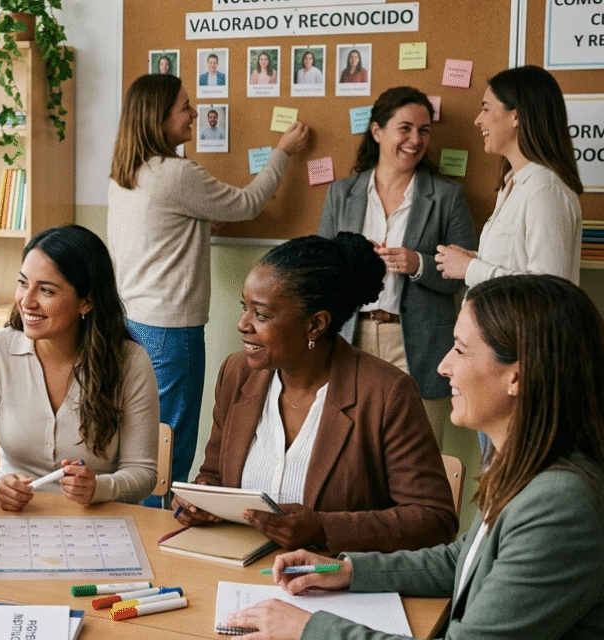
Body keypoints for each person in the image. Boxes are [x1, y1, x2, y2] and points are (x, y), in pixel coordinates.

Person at [226, 274, 604, 639]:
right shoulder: (526, 466)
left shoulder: (559, 505)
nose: (443, 366)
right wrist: (347, 570)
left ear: (515, 378)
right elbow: (462, 561)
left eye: (460, 349)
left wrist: (309, 629)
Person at [173, 233, 457, 553]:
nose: (242, 324)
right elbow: (213, 474)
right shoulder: (237, 374)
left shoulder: (386, 393)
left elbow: (435, 521)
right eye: (244, 307)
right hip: (240, 577)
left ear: (315, 325)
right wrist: (201, 498)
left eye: (261, 314)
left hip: (330, 577)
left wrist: (324, 528)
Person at [107, 74, 310, 504]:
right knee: (168, 450)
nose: (195, 113)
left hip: (130, 323)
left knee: (140, 446)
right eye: (185, 106)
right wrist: (282, 152)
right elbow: (249, 202)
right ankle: (159, 545)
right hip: (170, 333)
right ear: (158, 119)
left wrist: (199, 221)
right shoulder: (179, 174)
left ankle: (137, 541)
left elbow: (160, 229)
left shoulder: (126, 174)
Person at [0, 225, 159, 510]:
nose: (26, 300)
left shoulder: (130, 363)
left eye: (46, 290)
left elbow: (143, 475)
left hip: (98, 525)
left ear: (86, 301)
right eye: (23, 283)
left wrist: (100, 487)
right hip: (15, 518)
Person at [318, 87, 476, 445]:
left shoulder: (448, 197)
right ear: (377, 132)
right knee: (352, 453)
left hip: (419, 343)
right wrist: (354, 258)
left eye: (424, 130)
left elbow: (465, 276)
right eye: (404, 128)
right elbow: (321, 272)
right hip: (351, 338)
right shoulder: (341, 193)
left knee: (420, 455)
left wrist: (417, 263)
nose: (415, 140)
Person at [436, 65, 583, 287]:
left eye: (485, 109)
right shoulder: (513, 183)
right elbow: (518, 267)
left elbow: (549, 289)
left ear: (516, 116)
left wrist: (471, 269)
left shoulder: (546, 190)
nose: (478, 120)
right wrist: (476, 259)